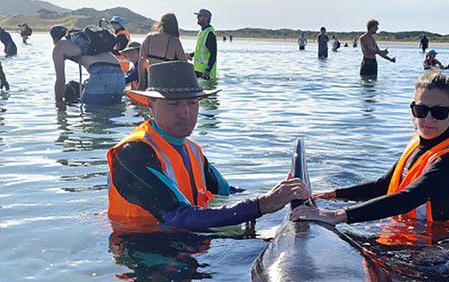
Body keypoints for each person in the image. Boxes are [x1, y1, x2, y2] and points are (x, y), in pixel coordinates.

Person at [107, 61, 309, 232]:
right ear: (150, 104)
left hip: (188, 243)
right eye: (174, 104)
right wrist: (262, 205)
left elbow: (226, 191)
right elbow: (179, 216)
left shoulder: (192, 150)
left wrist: (280, 194)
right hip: (142, 253)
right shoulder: (132, 153)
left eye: (192, 103)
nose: (185, 113)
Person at [290, 70, 449, 240]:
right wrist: (334, 195)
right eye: (421, 110)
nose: (428, 119)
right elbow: (384, 185)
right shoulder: (419, 142)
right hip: (408, 235)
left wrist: (336, 216)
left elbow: (409, 197)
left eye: (439, 112)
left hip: (437, 250)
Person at [50, 24, 125, 108]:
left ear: (54, 39)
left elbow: (60, 79)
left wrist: (59, 101)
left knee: (93, 118)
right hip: (120, 75)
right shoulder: (86, 40)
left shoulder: (59, 47)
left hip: (101, 75)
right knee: (114, 112)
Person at [138, 13, 187, 89]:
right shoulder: (174, 40)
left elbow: (141, 62)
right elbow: (185, 65)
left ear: (160, 23)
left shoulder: (149, 37)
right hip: (168, 84)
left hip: (151, 81)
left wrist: (142, 83)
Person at [188, 9, 218, 79]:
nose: (197, 17)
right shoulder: (202, 32)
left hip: (206, 74)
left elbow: (213, 54)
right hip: (198, 70)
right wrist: (191, 55)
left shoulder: (210, 33)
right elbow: (201, 50)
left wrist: (208, 70)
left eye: (199, 16)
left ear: (206, 18)